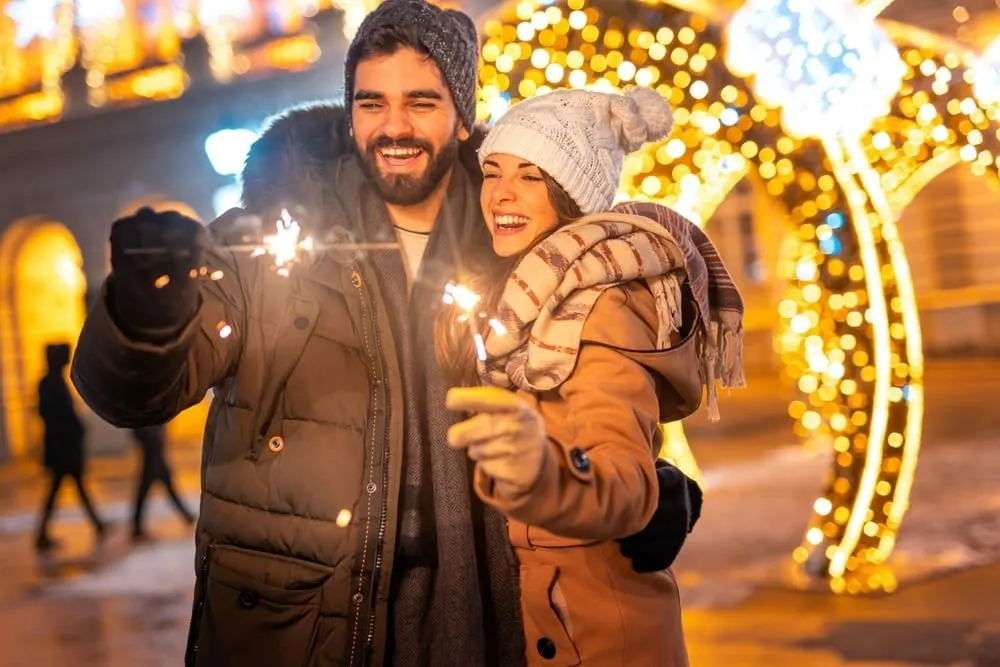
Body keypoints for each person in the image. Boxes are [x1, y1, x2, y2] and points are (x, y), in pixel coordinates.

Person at [71, 1, 695, 664]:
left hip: (489, 631)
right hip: (314, 633)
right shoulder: (270, 239)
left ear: (463, 117)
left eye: (421, 102)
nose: (394, 127)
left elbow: (590, 386)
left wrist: (644, 480)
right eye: (372, 103)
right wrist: (143, 313)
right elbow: (135, 394)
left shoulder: (521, 244)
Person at [439, 87, 745, 665]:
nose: (501, 193)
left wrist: (540, 474)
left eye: (531, 176)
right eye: (494, 171)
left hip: (597, 633)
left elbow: (624, 485)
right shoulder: (529, 295)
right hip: (563, 619)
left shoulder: (596, 304)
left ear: (570, 194)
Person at [35, 343, 106, 551]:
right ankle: (42, 534)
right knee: (59, 490)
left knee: (70, 488)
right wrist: (75, 429)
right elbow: (54, 415)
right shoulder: (49, 384)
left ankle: (97, 524)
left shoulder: (54, 382)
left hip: (64, 448)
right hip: (62, 449)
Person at [130, 424, 196, 541]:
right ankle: (186, 515)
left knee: (162, 483)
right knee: (152, 484)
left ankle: (186, 515)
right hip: (151, 443)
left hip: (152, 442)